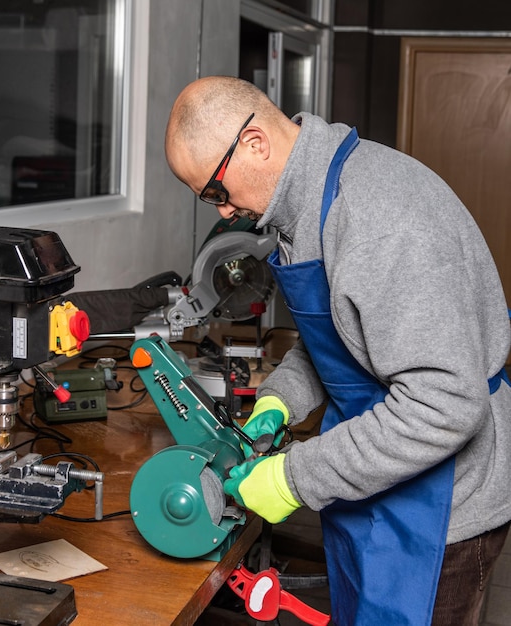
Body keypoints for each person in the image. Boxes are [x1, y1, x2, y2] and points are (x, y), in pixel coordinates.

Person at [164, 75, 511, 626]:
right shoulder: (304, 204)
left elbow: (444, 405)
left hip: (439, 512)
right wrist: (279, 401)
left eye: (215, 192)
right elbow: (348, 333)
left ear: (254, 144)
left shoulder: (377, 222)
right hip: (369, 475)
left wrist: (293, 478)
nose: (223, 213)